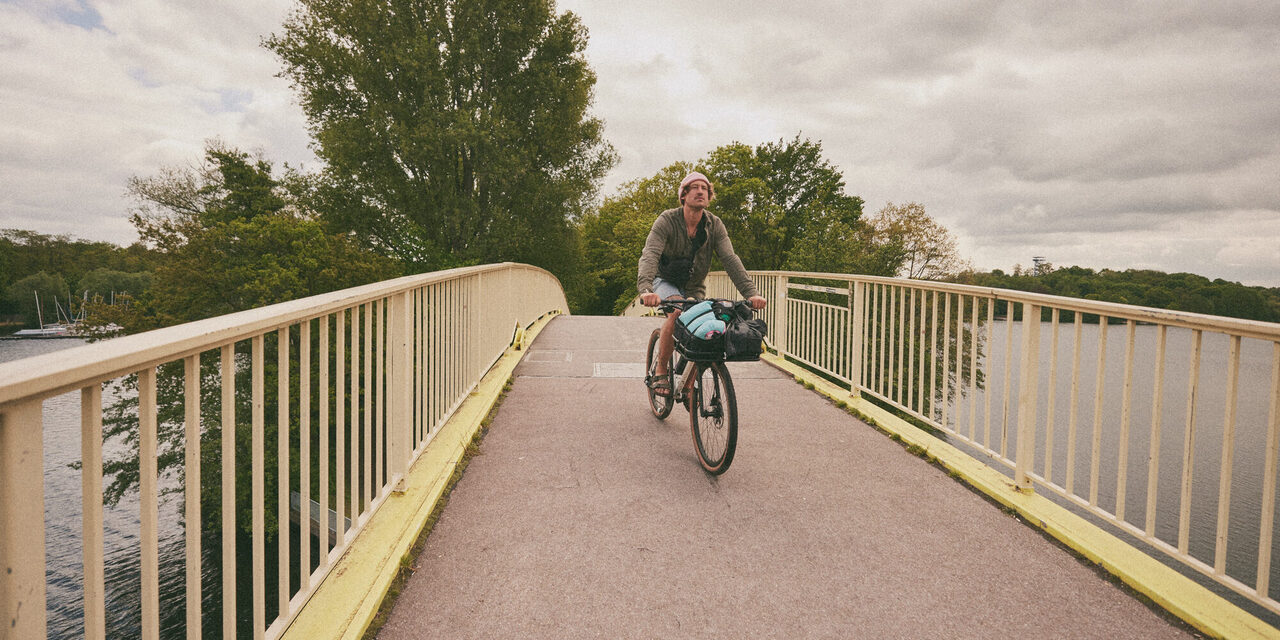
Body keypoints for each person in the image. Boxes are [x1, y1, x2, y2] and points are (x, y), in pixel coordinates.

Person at [637, 171, 767, 396]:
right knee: (677, 312)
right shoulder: (667, 220)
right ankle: (660, 370)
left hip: (694, 285)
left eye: (704, 188)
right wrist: (646, 289)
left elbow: (730, 259)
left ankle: (688, 383)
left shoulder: (714, 225)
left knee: (703, 326)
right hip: (665, 280)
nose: (700, 191)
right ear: (683, 196)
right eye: (694, 187)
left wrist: (751, 293)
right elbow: (650, 254)